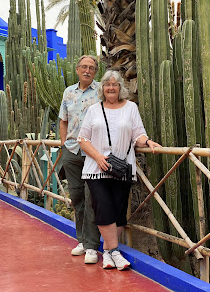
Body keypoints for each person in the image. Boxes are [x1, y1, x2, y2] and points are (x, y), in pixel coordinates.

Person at [78, 70, 161, 270]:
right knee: (103, 207)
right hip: (96, 168)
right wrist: (98, 157)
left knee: (118, 211)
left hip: (121, 167)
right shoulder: (93, 110)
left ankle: (107, 253)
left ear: (120, 88)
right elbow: (82, 139)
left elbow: (138, 134)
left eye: (115, 84)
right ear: (102, 88)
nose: (111, 88)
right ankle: (115, 251)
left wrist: (148, 142)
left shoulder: (131, 108)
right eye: (107, 84)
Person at [59, 55, 101, 264]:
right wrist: (64, 143)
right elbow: (63, 120)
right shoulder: (68, 92)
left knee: (92, 198)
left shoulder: (102, 90)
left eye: (91, 68)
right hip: (72, 152)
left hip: (93, 153)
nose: (87, 70)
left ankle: (92, 246)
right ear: (77, 70)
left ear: (95, 71)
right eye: (84, 67)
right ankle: (82, 241)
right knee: (77, 197)